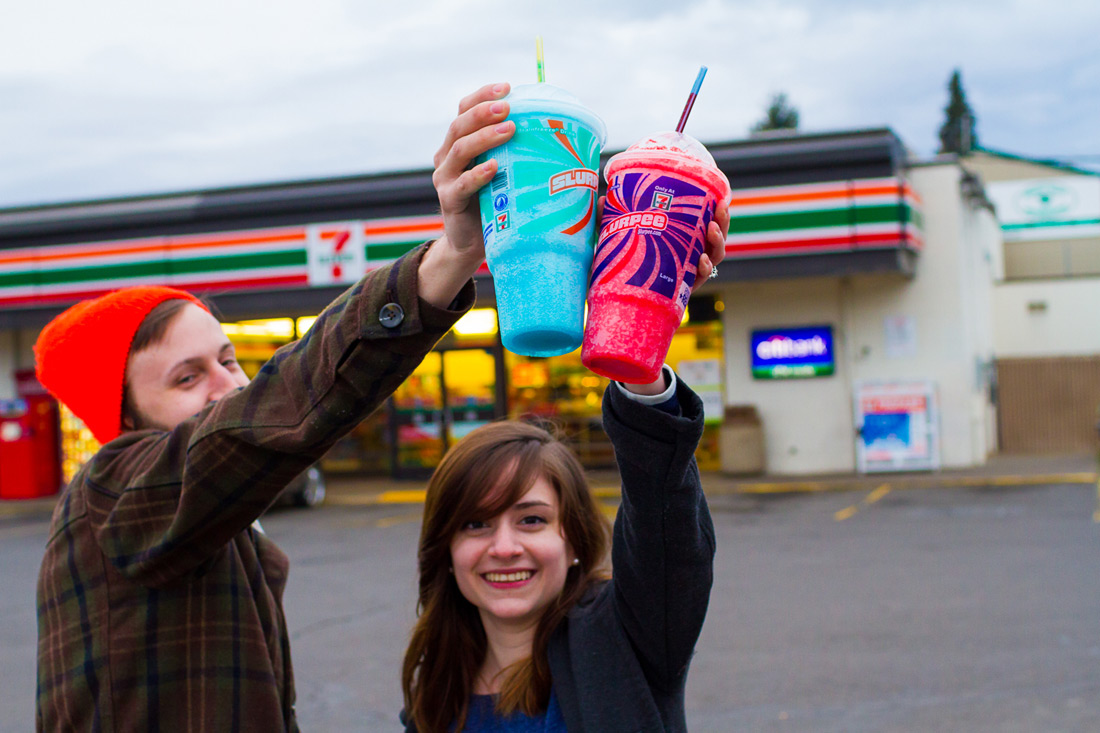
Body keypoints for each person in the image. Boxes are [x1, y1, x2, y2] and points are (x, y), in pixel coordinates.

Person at [33, 82, 520, 732]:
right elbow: (265, 414)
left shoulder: (217, 526)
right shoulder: (112, 493)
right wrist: (452, 258)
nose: (228, 386)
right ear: (121, 420)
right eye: (186, 378)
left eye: (228, 359)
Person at [400, 212, 728, 732]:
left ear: (573, 539)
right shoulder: (433, 692)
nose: (503, 547)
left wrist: (638, 338)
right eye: (474, 524)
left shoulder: (628, 644)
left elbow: (668, 537)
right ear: (444, 551)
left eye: (531, 520)